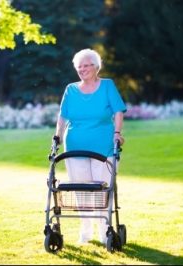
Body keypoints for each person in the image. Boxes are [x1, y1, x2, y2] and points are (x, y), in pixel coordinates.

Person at [54, 48, 127, 245]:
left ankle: (105, 232)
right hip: (75, 146)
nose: (83, 69)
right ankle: (85, 232)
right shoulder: (70, 89)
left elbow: (119, 111)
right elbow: (62, 116)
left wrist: (117, 134)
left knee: (102, 189)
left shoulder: (107, 86)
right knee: (81, 190)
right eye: (79, 66)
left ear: (96, 67)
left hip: (103, 146)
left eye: (87, 65)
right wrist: (57, 136)